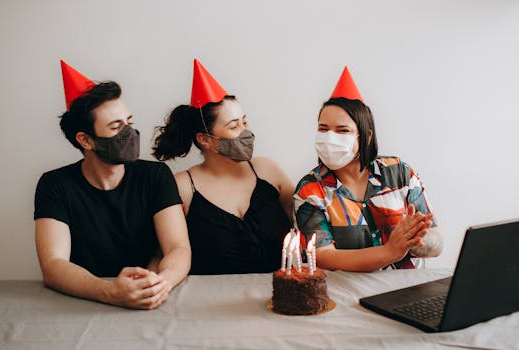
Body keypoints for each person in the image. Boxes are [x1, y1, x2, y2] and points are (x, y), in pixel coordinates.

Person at [34, 60, 191, 309]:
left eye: (129, 121)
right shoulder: (55, 185)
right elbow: (53, 265)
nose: (129, 132)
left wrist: (161, 284)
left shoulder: (156, 176)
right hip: (83, 303)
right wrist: (109, 291)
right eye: (116, 126)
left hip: (152, 300)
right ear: (86, 140)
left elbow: (178, 248)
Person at [152, 59, 293, 274]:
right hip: (212, 301)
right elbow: (165, 251)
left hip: (284, 295)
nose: (245, 132)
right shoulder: (183, 187)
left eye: (244, 122)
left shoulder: (267, 170)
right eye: (234, 126)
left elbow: (304, 221)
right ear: (205, 140)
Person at [295, 67, 443, 271]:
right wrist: (389, 251)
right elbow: (322, 256)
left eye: (342, 130)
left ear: (366, 137)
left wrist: (415, 239)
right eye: (323, 129)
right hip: (348, 294)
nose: (330, 137)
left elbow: (436, 242)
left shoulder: (400, 173)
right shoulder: (310, 190)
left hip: (408, 289)